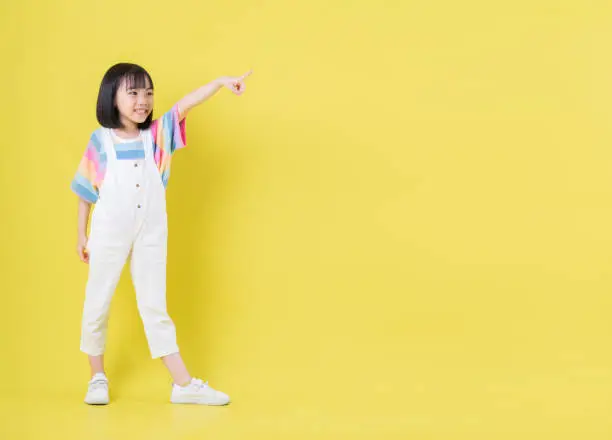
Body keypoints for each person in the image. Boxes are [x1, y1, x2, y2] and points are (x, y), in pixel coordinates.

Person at [71, 62, 252, 405]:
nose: (143, 100)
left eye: (148, 92)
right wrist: (81, 235)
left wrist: (219, 82)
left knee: (154, 305)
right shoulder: (101, 141)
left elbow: (186, 103)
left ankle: (183, 385)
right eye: (133, 92)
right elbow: (85, 193)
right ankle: (97, 378)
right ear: (112, 98)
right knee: (97, 302)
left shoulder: (156, 135)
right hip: (108, 233)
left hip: (151, 233)